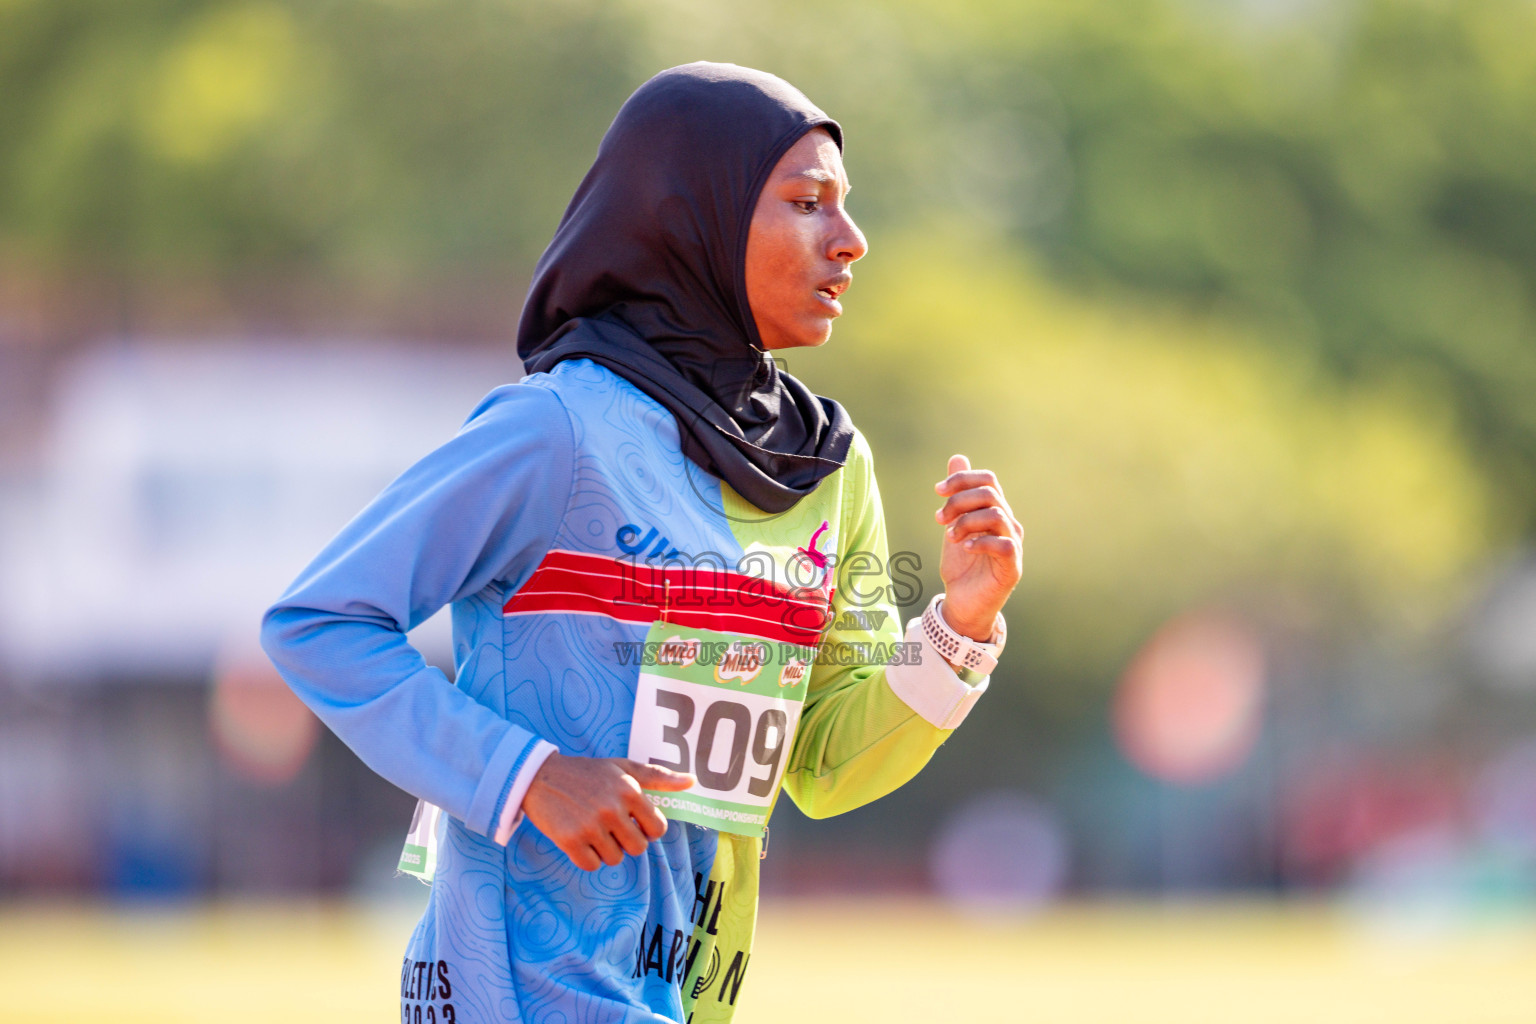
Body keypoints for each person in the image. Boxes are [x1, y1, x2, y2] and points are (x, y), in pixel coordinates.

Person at [260, 61, 1022, 1024]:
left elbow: (825, 761)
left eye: (846, 206)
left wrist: (961, 621)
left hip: (685, 991)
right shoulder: (555, 430)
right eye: (806, 203)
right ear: (685, 215)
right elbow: (320, 621)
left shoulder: (829, 470)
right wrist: (524, 776)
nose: (851, 240)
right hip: (514, 990)